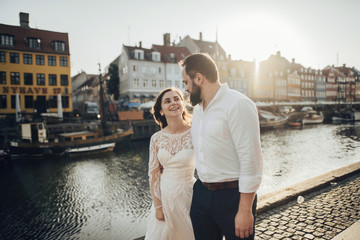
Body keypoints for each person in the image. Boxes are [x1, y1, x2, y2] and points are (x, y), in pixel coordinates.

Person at [179, 53, 263, 240]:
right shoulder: (198, 109)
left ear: (199, 78)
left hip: (233, 198)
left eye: (186, 82)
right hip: (201, 195)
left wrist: (244, 210)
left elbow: (251, 161)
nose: (185, 89)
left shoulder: (238, 104)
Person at [145, 87, 196, 240]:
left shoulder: (195, 132)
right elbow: (153, 175)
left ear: (183, 104)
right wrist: (158, 206)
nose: (173, 103)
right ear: (161, 111)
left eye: (176, 99)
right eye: (167, 101)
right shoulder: (156, 138)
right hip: (165, 197)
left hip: (190, 196)